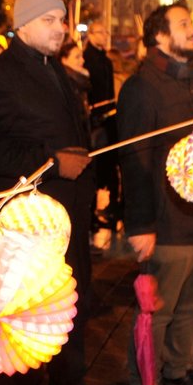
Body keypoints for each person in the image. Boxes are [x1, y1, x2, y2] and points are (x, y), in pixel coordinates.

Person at [0, 0, 94, 385]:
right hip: (30, 230)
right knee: (30, 335)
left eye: (62, 19)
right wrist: (54, 162)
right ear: (22, 25)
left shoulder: (54, 68)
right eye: (50, 20)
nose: (61, 29)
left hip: (67, 222)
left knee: (69, 323)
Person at [119, 3, 193, 385]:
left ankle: (179, 371)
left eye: (192, 23)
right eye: (184, 24)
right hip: (168, 223)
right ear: (160, 37)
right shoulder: (141, 87)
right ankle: (142, 382)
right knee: (158, 311)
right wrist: (140, 225)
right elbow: (134, 159)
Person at [83, 20, 121, 235]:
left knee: (109, 166)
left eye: (106, 32)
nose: (105, 35)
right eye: (101, 32)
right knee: (98, 166)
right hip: (96, 120)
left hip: (108, 117)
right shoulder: (89, 58)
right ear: (91, 34)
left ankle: (110, 208)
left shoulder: (105, 59)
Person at [60, 39, 91, 114]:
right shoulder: (67, 82)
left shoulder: (79, 79)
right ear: (64, 60)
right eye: (77, 57)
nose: (82, 60)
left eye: (82, 56)